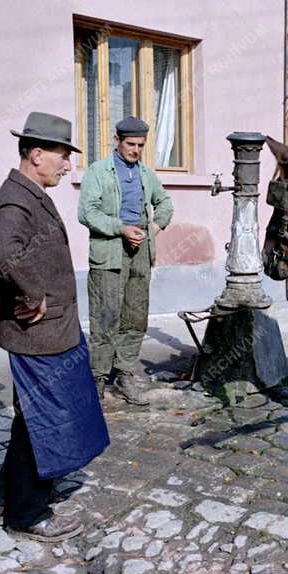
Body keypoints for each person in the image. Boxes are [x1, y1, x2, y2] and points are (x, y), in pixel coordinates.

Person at [0, 112, 110, 542]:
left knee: (28, 419)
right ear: (36, 154)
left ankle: (5, 496)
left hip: (49, 332)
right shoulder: (14, 201)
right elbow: (3, 252)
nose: (67, 165)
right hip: (39, 335)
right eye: (62, 156)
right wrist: (33, 295)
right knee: (44, 421)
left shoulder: (29, 192)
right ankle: (28, 514)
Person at [78, 117, 173, 405]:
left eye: (140, 145)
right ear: (116, 140)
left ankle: (124, 374)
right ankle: (97, 378)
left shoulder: (145, 174)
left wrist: (152, 231)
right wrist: (121, 228)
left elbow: (165, 203)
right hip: (109, 253)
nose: (135, 150)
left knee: (135, 317)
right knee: (106, 318)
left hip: (140, 254)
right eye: (130, 144)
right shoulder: (98, 172)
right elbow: (87, 213)